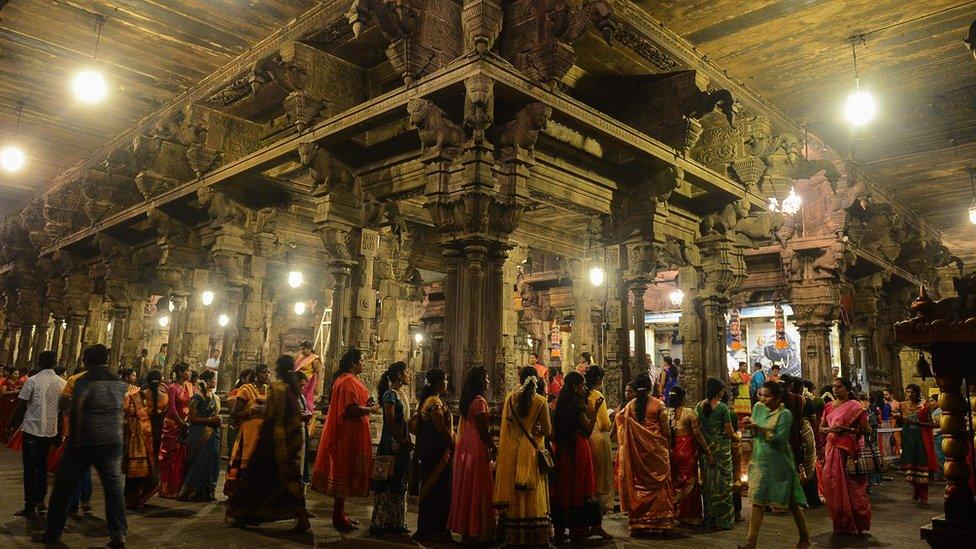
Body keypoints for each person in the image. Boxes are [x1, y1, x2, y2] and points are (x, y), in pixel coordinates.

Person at [35, 345, 128, 547]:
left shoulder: (84, 381)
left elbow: (76, 410)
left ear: (86, 361)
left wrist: (72, 439)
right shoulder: (118, 382)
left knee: (63, 486)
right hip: (112, 439)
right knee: (113, 487)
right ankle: (118, 533)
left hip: (86, 439)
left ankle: (52, 533)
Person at [226, 355, 312, 532]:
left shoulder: (277, 387)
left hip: (272, 439)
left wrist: (257, 408)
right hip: (291, 438)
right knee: (289, 481)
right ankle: (302, 519)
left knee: (257, 477)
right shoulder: (293, 388)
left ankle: (244, 514)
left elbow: (271, 413)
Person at [312, 347, 378, 531]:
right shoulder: (348, 380)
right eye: (362, 360)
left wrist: (366, 405)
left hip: (349, 432)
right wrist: (371, 409)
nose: (364, 363)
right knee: (343, 471)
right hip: (347, 434)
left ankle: (341, 514)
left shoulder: (347, 379)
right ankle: (338, 516)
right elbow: (351, 409)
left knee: (345, 472)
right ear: (353, 363)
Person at [739, 381, 810, 549]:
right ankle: (751, 543)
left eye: (767, 396)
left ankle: (804, 537)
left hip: (780, 463)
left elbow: (779, 439)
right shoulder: (758, 408)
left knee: (791, 502)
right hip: (760, 461)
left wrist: (759, 427)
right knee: (757, 501)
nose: (763, 399)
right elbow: (754, 431)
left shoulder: (785, 414)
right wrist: (749, 424)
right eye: (760, 395)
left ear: (777, 398)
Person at [494, 366, 552, 546]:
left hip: (513, 449)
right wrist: (535, 430)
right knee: (532, 491)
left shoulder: (510, 399)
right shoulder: (540, 401)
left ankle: (515, 533)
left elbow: (508, 427)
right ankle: (533, 534)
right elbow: (547, 430)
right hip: (532, 450)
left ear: (519, 379)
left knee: (516, 490)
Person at [550, 371, 610, 543]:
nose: (584, 389)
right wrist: (595, 410)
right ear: (575, 387)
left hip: (564, 450)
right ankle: (579, 528)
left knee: (564, 488)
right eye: (582, 386)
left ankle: (560, 529)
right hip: (579, 449)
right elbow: (587, 430)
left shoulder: (560, 405)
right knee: (580, 487)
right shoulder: (577, 406)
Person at [5, 351, 65, 518]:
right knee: (43, 467)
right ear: (55, 363)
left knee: (30, 469)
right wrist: (59, 433)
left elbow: (22, 405)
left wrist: (11, 425)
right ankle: (41, 501)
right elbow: (61, 411)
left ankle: (29, 506)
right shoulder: (62, 383)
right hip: (50, 431)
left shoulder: (33, 381)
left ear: (39, 362)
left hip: (32, 430)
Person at [615, 372, 674, 536]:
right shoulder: (659, 404)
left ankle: (638, 524)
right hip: (656, 453)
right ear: (650, 387)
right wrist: (668, 445)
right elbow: (665, 429)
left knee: (639, 486)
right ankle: (660, 522)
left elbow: (621, 426)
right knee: (660, 486)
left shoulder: (629, 406)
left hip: (636, 454)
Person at [449, 365, 497, 543]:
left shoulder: (467, 400)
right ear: (479, 380)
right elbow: (484, 430)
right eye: (485, 377)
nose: (488, 380)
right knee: (479, 486)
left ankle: (467, 529)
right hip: (477, 444)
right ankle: (479, 529)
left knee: (467, 484)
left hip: (466, 444)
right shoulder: (480, 402)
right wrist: (493, 446)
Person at [819, 377, 871, 535]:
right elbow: (821, 428)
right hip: (832, 447)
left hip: (847, 451)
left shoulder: (856, 407)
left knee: (851, 487)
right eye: (834, 386)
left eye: (839, 387)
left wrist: (847, 430)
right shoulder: (828, 406)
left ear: (847, 389)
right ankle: (840, 523)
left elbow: (867, 431)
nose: (835, 389)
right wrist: (831, 430)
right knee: (832, 485)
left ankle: (854, 523)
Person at [369, 361, 412, 537]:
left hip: (401, 443)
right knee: (388, 481)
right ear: (399, 375)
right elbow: (390, 420)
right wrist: (401, 439)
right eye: (406, 372)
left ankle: (396, 521)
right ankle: (381, 521)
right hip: (392, 444)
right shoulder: (390, 395)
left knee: (399, 482)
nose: (409, 375)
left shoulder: (400, 394)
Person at [414, 367, 454, 542]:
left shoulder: (434, 400)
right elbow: (441, 429)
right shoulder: (434, 403)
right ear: (439, 383)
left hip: (434, 451)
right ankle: (432, 530)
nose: (447, 383)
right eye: (445, 380)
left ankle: (434, 528)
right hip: (436, 452)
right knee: (437, 491)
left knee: (439, 491)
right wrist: (453, 442)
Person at [695, 378, 736, 530]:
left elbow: (697, 429)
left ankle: (710, 519)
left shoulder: (699, 406)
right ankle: (723, 520)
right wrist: (737, 438)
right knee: (723, 486)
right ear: (720, 392)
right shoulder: (722, 408)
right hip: (721, 451)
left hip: (705, 450)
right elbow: (729, 432)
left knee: (708, 486)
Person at [225, 365, 269, 495]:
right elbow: (235, 412)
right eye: (264, 373)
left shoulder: (268, 389)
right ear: (256, 374)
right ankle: (240, 494)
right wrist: (251, 411)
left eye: (269, 373)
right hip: (248, 433)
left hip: (263, 434)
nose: (267, 375)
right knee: (244, 465)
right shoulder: (246, 389)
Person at [177, 370, 221, 501]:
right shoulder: (197, 397)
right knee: (199, 463)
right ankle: (192, 493)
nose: (216, 382)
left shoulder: (214, 397)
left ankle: (206, 492)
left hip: (212, 433)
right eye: (214, 379)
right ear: (207, 381)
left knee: (212, 463)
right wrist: (210, 421)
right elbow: (191, 418)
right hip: (200, 434)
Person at [120, 368, 157, 509]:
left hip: (139, 437)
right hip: (142, 437)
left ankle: (133, 498)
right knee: (138, 471)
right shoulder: (155, 397)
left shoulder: (138, 396)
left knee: (135, 472)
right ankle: (135, 498)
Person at [668, 385, 705, 525]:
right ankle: (689, 516)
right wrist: (707, 449)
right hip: (686, 452)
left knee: (675, 482)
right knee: (690, 481)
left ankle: (675, 512)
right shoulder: (688, 412)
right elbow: (697, 433)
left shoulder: (667, 413)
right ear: (683, 398)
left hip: (673, 452)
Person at [899, 383, 939, 504]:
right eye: (908, 391)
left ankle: (923, 496)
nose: (910, 394)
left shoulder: (924, 407)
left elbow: (931, 424)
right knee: (911, 468)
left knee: (922, 467)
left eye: (912, 392)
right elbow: (904, 422)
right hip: (909, 439)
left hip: (921, 440)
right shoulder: (903, 406)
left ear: (917, 393)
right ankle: (916, 492)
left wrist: (919, 424)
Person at [158, 362, 193, 498]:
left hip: (185, 423)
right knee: (171, 457)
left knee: (181, 458)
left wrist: (187, 422)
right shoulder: (173, 387)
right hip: (173, 425)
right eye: (187, 371)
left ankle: (178, 487)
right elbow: (172, 409)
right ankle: (167, 489)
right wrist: (181, 423)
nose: (189, 373)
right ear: (180, 373)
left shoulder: (189, 387)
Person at [584, 365, 614, 514]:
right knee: (601, 476)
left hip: (585, 437)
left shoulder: (581, 393)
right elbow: (604, 424)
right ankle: (599, 509)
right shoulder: (597, 395)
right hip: (598, 437)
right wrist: (611, 417)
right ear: (598, 380)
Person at [225, 369, 254, 459]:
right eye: (251, 378)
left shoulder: (256, 391)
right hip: (237, 429)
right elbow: (233, 412)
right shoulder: (235, 393)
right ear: (242, 379)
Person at [294, 340, 322, 413]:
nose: (302, 351)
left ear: (310, 348)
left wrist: (317, 387)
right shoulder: (300, 357)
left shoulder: (315, 359)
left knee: (306, 402)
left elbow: (319, 374)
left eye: (304, 349)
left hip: (308, 384)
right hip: (298, 382)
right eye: (301, 349)